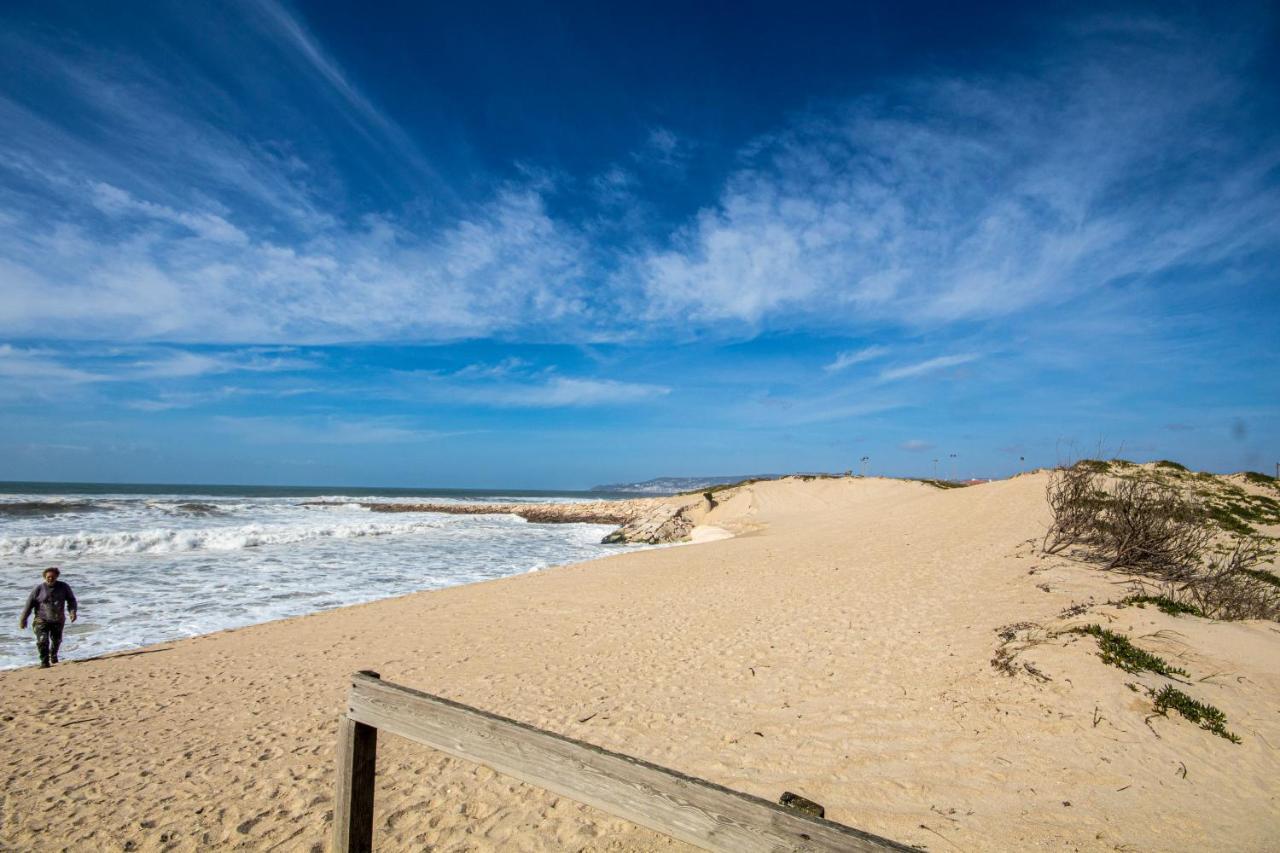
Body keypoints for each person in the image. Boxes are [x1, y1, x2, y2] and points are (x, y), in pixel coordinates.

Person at [19, 567, 77, 668]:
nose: (50, 579)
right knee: (42, 640)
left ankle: (53, 656)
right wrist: (23, 619)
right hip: (41, 619)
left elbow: (71, 600)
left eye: (53, 577)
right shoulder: (39, 589)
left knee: (56, 640)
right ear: (45, 577)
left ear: (57, 576)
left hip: (58, 619)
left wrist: (72, 612)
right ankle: (44, 662)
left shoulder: (64, 587)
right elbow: (29, 604)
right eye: (48, 577)